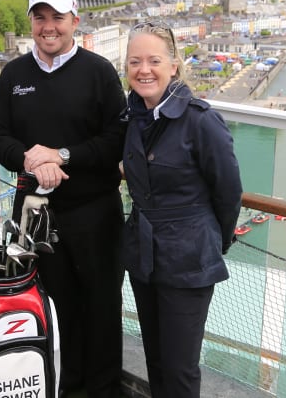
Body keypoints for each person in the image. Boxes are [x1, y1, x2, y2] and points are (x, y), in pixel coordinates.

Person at [0, 0, 127, 397]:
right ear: (31, 22)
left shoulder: (99, 72)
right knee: (50, 302)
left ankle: (103, 390)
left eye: (57, 18)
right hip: (33, 211)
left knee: (103, 304)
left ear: (75, 21)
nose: (49, 26)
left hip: (95, 209)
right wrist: (31, 158)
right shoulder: (13, 75)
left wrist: (62, 155)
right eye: (40, 17)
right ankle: (64, 384)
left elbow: (116, 139)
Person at [122, 22, 243, 397]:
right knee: (156, 359)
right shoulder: (133, 116)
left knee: (180, 368)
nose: (144, 70)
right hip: (144, 256)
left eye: (154, 61)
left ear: (174, 66)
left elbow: (229, 193)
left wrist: (215, 243)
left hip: (188, 259)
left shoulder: (201, 121)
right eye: (135, 62)